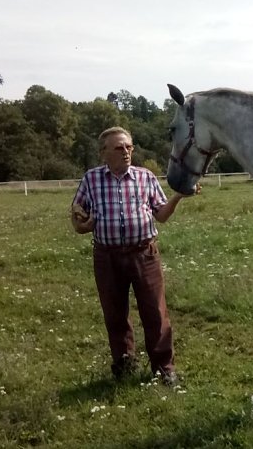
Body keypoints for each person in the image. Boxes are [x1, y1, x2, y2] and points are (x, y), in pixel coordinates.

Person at [70, 126, 198, 386]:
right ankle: (124, 363)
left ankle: (164, 369)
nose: (126, 152)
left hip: (144, 254)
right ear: (103, 152)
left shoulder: (146, 177)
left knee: (155, 312)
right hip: (107, 257)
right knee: (115, 313)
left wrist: (179, 196)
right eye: (119, 148)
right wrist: (83, 224)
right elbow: (77, 219)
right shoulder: (91, 179)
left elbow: (160, 214)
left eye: (129, 147)